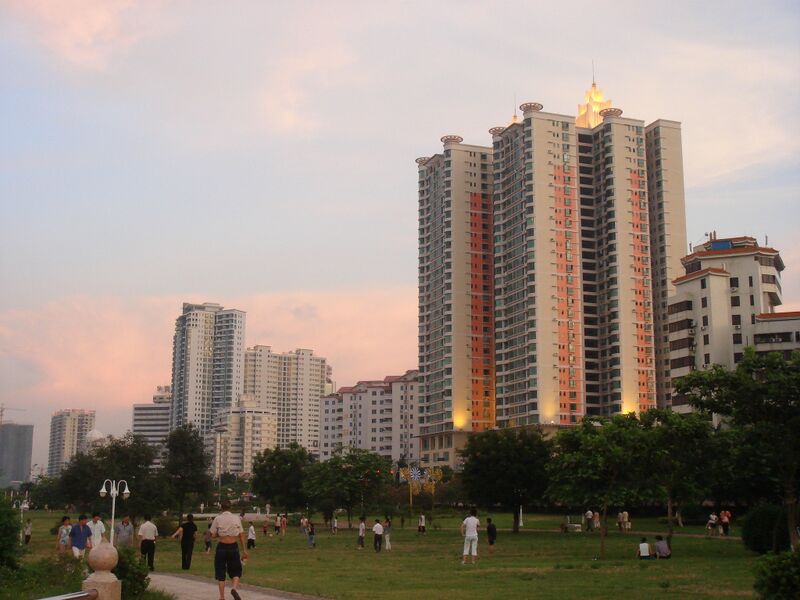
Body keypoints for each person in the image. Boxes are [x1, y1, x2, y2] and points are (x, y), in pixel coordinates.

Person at [210, 500, 248, 600]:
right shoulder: (236, 518)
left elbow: (212, 534)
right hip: (233, 546)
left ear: (221, 508)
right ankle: (234, 588)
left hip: (222, 547)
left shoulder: (218, 518)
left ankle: (222, 597)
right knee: (236, 570)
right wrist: (244, 550)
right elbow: (241, 535)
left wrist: (219, 534)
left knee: (220, 571)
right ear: (230, 508)